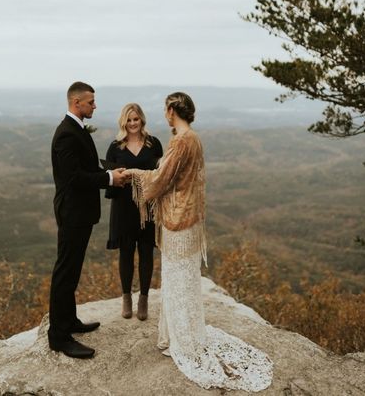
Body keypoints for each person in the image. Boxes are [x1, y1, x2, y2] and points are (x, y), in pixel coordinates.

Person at [124, 92, 273, 391]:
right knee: (186, 280)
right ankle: (182, 334)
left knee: (177, 281)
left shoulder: (181, 141)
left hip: (178, 222)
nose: (165, 114)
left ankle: (183, 340)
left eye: (166, 109)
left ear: (171, 111)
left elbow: (161, 179)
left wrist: (133, 174)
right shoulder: (195, 138)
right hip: (190, 221)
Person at [48, 81, 126, 359]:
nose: (95, 106)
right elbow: (73, 178)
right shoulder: (67, 134)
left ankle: (69, 321)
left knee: (72, 269)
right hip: (72, 213)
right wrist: (108, 179)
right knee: (65, 272)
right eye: (91, 102)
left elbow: (84, 167)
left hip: (80, 213)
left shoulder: (75, 128)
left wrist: (109, 170)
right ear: (76, 103)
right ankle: (58, 337)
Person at [105, 103, 163, 320]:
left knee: (147, 252)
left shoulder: (153, 144)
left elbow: (161, 175)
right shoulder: (115, 146)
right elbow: (109, 178)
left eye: (135, 119)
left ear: (142, 120)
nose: (132, 124)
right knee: (126, 253)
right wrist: (119, 178)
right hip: (123, 206)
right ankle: (127, 297)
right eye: (128, 120)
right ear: (123, 122)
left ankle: (144, 299)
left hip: (148, 206)